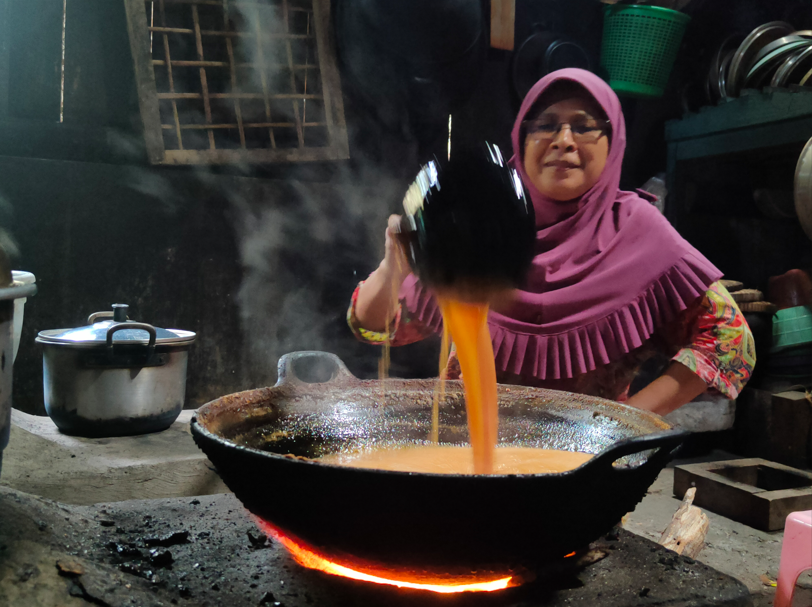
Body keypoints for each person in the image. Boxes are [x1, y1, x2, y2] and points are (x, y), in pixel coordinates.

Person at [347, 68, 755, 416]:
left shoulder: (639, 232)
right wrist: (392, 266)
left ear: (612, 143)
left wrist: (627, 423)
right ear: (522, 140)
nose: (563, 140)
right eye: (545, 125)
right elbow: (376, 328)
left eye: (583, 126)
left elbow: (730, 342)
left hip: (584, 469)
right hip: (462, 452)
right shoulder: (484, 221)